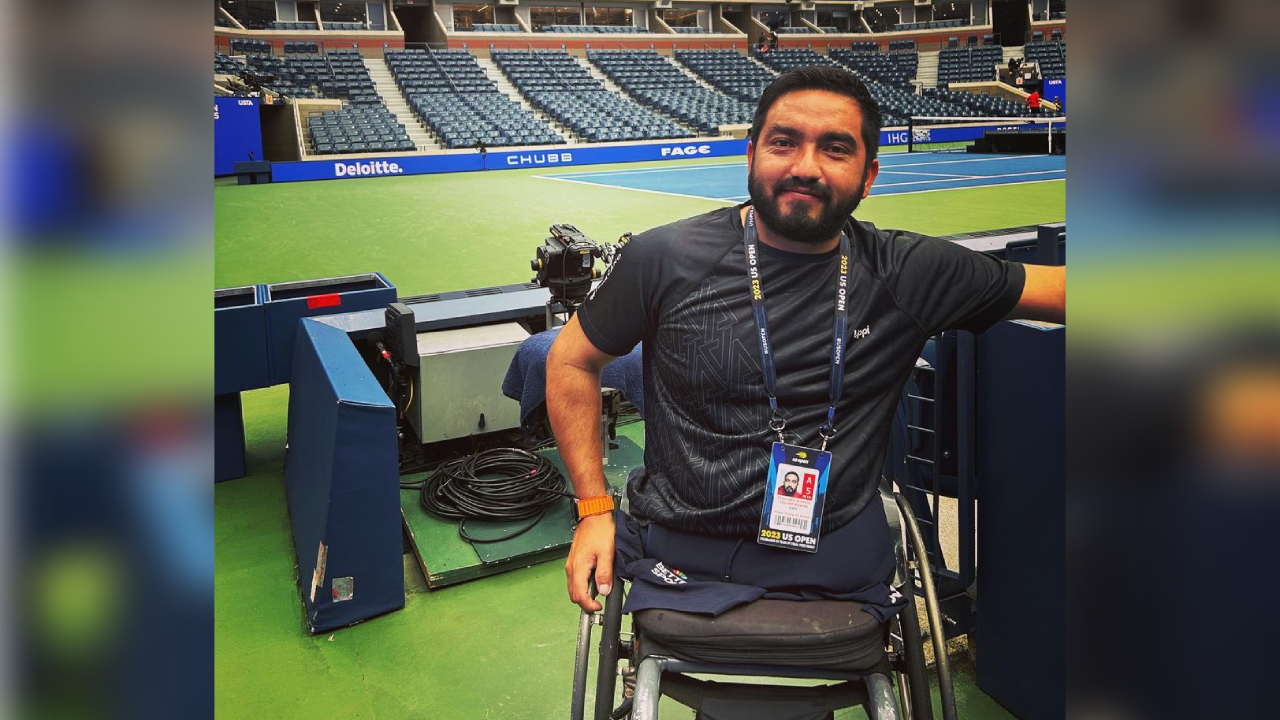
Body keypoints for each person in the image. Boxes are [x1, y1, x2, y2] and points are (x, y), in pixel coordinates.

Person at [549, 66, 1065, 617]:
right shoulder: (662, 258)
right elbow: (571, 360)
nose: (805, 167)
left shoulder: (910, 272)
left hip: (836, 553)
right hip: (682, 549)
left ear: (868, 175)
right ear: (752, 155)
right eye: (784, 143)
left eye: (836, 149)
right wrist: (594, 509)